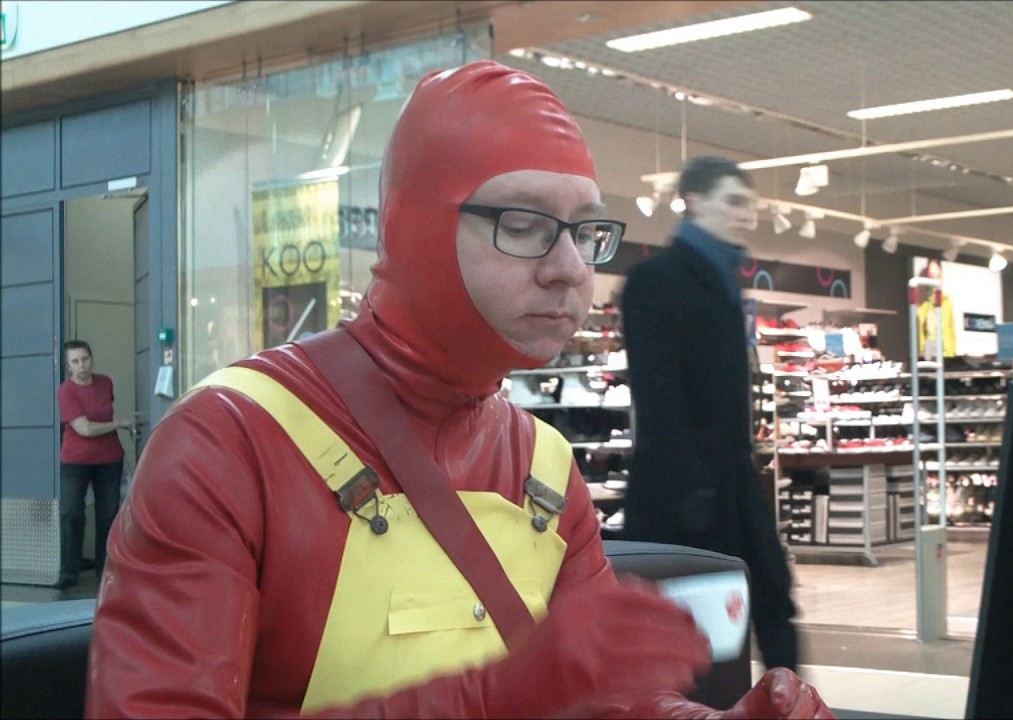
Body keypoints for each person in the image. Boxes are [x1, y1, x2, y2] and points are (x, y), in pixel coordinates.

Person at [86, 62, 831, 719]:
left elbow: (605, 699)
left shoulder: (544, 463)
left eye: (584, 230)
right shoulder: (228, 443)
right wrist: (493, 698)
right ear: (411, 227)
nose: (571, 267)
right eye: (522, 222)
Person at [620, 155, 801, 672]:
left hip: (730, 480)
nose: (745, 214)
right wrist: (694, 489)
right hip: (683, 493)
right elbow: (658, 396)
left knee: (772, 601)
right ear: (695, 201)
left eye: (750, 204)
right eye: (734, 201)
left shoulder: (723, 279)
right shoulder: (656, 280)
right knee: (690, 628)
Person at [56, 340, 134, 589]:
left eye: (85, 359)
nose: (82, 366)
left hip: (109, 459)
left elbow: (97, 419)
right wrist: (119, 424)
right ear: (68, 367)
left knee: (108, 516)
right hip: (75, 460)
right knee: (71, 513)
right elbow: (85, 429)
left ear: (91, 358)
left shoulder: (105, 383)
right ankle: (69, 572)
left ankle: (106, 570)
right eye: (75, 362)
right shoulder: (66, 391)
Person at [917, 258, 956, 359]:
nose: (935, 281)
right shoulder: (923, 308)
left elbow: (951, 329)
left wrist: (952, 355)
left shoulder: (947, 301)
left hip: (946, 355)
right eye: (931, 276)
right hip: (929, 356)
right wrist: (922, 355)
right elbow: (921, 335)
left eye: (937, 276)